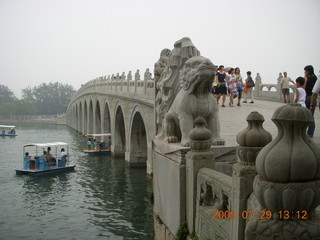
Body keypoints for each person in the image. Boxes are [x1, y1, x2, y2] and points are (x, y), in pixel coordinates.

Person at [303, 65, 317, 138]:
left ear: (308, 71)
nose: (304, 72)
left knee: (305, 115)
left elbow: (304, 88)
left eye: (305, 71)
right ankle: (310, 133)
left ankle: (303, 132)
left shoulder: (307, 78)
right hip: (314, 98)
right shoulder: (316, 78)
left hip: (308, 97)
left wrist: (305, 79)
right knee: (311, 116)